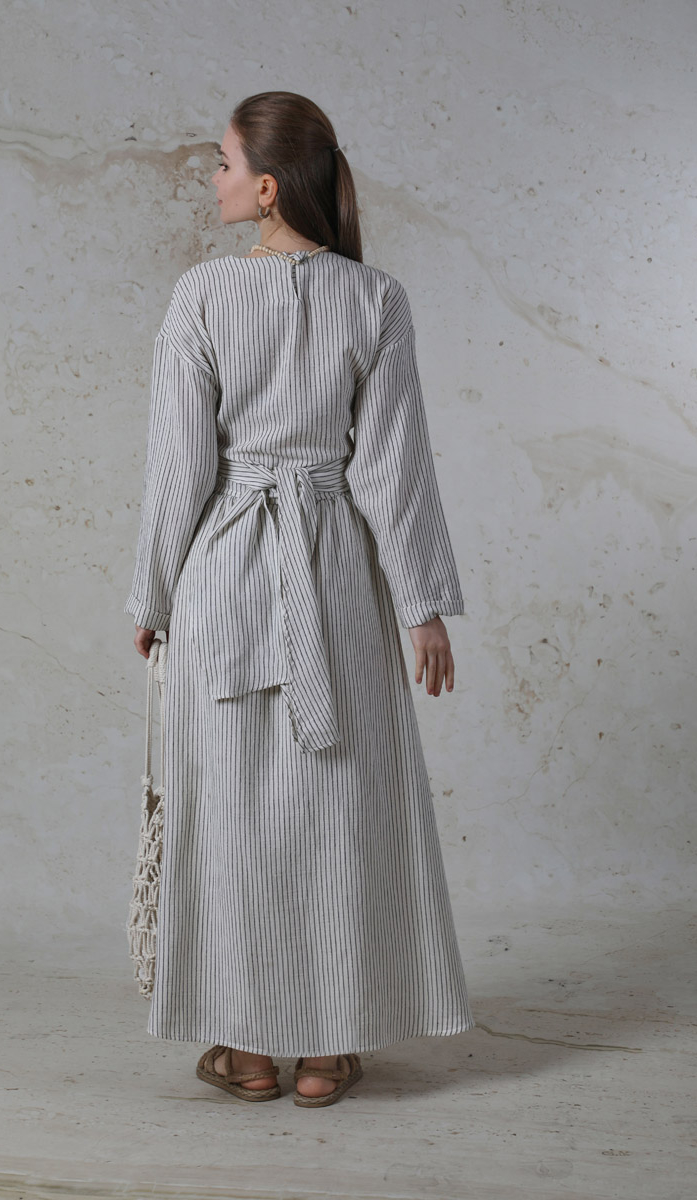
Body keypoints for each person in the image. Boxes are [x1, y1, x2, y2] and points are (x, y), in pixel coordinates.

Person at [124, 90, 474, 1108]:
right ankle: (326, 1048)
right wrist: (420, 606)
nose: (215, 180)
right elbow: (393, 467)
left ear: (268, 186)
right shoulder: (376, 299)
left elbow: (179, 470)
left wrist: (153, 595)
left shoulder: (200, 296)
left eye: (225, 163)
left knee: (228, 809)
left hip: (223, 575)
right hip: (334, 580)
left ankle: (247, 1049)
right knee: (335, 809)